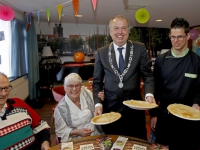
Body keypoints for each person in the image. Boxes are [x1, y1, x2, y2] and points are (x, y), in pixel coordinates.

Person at [93, 15, 155, 141]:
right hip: (110, 108)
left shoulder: (139, 48)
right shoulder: (102, 52)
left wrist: (149, 95)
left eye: (124, 28)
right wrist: (98, 105)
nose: (120, 32)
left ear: (128, 31)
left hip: (134, 108)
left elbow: (148, 76)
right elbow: (97, 83)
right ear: (110, 31)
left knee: (136, 143)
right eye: (116, 28)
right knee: (112, 142)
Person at [150, 18, 200, 150]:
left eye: (179, 37)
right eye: (172, 37)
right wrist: (154, 114)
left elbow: (199, 89)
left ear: (188, 36)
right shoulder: (161, 60)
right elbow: (155, 90)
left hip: (189, 118)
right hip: (166, 117)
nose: (175, 41)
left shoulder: (196, 61)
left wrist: (197, 103)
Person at [0, 72, 50, 150]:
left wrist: (45, 142)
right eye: (0, 89)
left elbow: (41, 126)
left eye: (6, 88)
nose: (4, 93)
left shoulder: (18, 103)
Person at [54, 73, 104, 142]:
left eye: (77, 85)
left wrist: (102, 97)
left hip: (96, 136)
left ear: (81, 86)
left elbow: (98, 107)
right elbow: (61, 131)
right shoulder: (60, 109)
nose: (74, 89)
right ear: (65, 88)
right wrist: (78, 132)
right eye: (71, 86)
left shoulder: (87, 94)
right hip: (77, 140)